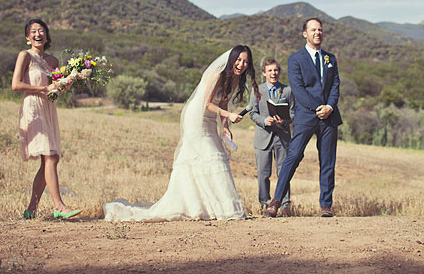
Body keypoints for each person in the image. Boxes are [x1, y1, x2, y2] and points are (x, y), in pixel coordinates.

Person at [103, 45, 260, 222]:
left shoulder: (235, 80)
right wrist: (228, 115)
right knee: (207, 154)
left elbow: (223, 104)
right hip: (196, 117)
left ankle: (210, 207)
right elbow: (206, 103)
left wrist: (225, 127)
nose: (241, 64)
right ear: (231, 59)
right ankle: (215, 208)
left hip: (210, 118)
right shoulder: (217, 74)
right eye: (239, 60)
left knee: (214, 155)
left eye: (246, 61)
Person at [266, 18, 342, 218]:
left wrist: (329, 107)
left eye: (320, 30)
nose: (318, 33)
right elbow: (298, 90)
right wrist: (318, 107)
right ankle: (276, 201)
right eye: (313, 30)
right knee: (293, 156)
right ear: (304, 34)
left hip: (329, 117)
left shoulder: (330, 59)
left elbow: (335, 86)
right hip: (306, 116)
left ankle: (326, 205)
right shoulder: (295, 59)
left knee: (328, 162)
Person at [12, 19, 81, 220]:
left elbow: (54, 91)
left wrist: (65, 84)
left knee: (51, 157)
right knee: (50, 156)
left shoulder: (53, 62)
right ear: (27, 37)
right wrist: (43, 89)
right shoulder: (25, 56)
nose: (37, 34)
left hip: (49, 108)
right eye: (33, 31)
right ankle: (58, 205)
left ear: (47, 35)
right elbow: (16, 84)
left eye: (41, 30)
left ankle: (31, 209)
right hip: (32, 107)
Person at [249, 58, 294, 215]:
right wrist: (263, 120)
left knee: (284, 172)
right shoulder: (257, 90)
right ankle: (264, 203)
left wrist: (285, 120)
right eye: (269, 70)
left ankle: (285, 204)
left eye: (275, 70)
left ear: (279, 72)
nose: (273, 73)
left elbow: (294, 113)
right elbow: (252, 112)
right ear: (264, 73)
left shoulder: (288, 90)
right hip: (263, 137)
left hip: (282, 138)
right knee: (263, 172)